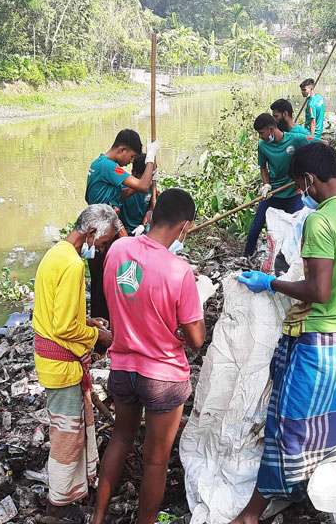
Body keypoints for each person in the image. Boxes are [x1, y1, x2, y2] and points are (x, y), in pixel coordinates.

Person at [231, 142, 336, 523]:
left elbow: (317, 291)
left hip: (317, 343)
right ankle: (317, 488)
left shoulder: (321, 221)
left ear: (307, 179)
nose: (303, 193)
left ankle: (252, 513)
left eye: (301, 186)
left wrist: (271, 283)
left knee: (288, 425)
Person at [93, 189, 206, 524]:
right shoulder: (179, 271)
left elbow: (131, 295)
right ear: (185, 227)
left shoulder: (118, 249)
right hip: (163, 377)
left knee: (121, 437)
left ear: (151, 217)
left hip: (123, 368)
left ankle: (97, 516)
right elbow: (196, 339)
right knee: (156, 461)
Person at [33, 204, 121, 524]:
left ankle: (66, 492)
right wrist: (100, 335)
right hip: (61, 365)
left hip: (49, 360)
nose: (101, 249)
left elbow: (58, 313)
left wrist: (86, 319)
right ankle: (58, 504)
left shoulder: (56, 253)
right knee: (67, 437)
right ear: (92, 233)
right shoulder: (72, 265)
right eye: (102, 243)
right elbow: (64, 328)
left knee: (65, 431)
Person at [85, 129, 158, 320]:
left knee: (104, 283)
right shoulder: (108, 166)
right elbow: (142, 186)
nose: (131, 162)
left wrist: (149, 177)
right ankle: (102, 332)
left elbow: (123, 194)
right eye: (132, 156)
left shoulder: (100, 165)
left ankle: (107, 324)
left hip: (101, 229)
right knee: (103, 285)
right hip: (102, 233)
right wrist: (149, 159)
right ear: (121, 149)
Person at [245, 113, 308, 257]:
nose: (260, 136)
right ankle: (245, 257)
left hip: (293, 192)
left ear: (272, 129)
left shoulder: (296, 140)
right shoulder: (263, 146)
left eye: (261, 133)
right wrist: (266, 185)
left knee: (300, 226)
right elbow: (263, 167)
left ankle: (300, 258)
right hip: (274, 193)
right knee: (256, 226)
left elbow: (310, 154)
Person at [118, 155, 152, 235]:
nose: (147, 181)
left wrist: (144, 223)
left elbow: (151, 206)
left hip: (141, 230)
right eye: (144, 177)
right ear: (133, 172)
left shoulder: (151, 188)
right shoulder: (122, 188)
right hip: (122, 231)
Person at [301, 78, 325, 142]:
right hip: (319, 131)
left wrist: (311, 138)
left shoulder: (311, 104)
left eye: (304, 90)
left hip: (312, 133)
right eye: (302, 90)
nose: (302, 92)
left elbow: (313, 123)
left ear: (311, 89)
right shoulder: (319, 98)